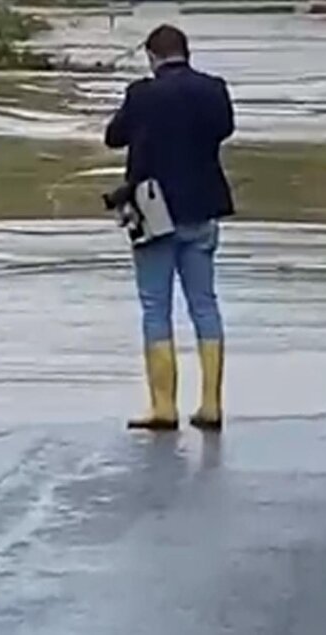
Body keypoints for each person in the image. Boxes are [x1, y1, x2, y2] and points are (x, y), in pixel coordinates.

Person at [105, 24, 235, 433]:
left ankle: (163, 406)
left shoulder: (142, 94)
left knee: (155, 307)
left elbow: (113, 137)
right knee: (205, 304)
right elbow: (224, 129)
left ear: (152, 56)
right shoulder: (214, 90)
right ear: (186, 52)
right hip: (202, 208)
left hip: (153, 211)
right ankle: (211, 404)